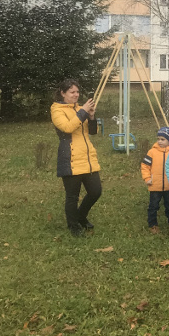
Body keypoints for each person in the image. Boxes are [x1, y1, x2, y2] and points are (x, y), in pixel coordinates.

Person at [51, 79, 101, 236]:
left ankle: (81, 216)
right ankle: (74, 226)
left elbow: (92, 132)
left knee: (95, 192)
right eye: (72, 92)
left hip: (87, 157)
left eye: (77, 92)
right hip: (70, 157)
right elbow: (67, 128)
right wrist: (83, 112)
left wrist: (91, 117)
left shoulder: (81, 109)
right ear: (63, 93)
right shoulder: (57, 110)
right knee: (72, 196)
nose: (76, 95)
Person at [141, 126, 169, 233]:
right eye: (158, 139)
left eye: (163, 139)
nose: (160, 141)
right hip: (155, 185)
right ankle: (153, 224)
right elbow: (145, 166)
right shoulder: (152, 152)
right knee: (153, 206)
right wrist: (147, 178)